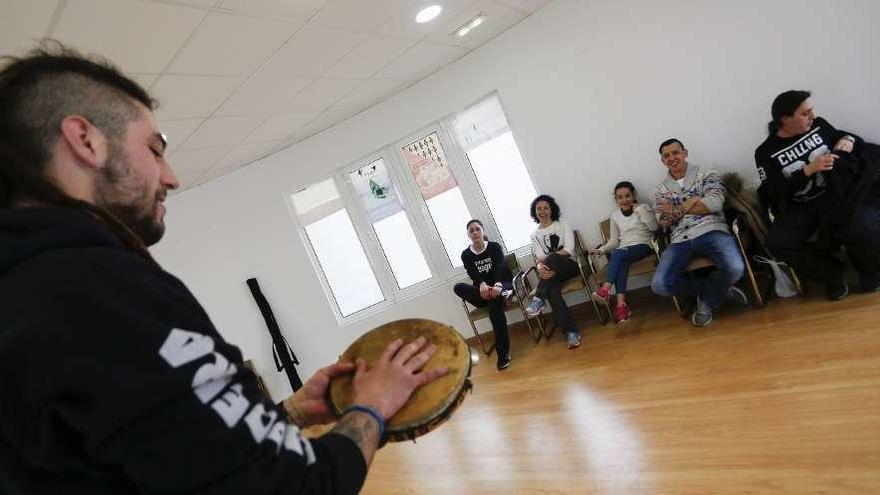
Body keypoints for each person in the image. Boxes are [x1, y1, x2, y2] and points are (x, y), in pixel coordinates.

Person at [0, 43, 449, 493]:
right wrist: (372, 406)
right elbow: (297, 487)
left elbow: (161, 460)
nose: (171, 176)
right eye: (155, 150)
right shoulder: (100, 289)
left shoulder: (25, 287)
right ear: (86, 141)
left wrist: (287, 413)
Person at [755, 90, 880, 299]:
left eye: (811, 111)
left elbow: (847, 137)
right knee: (777, 242)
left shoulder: (819, 125)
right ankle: (832, 273)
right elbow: (774, 193)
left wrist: (848, 140)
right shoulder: (765, 152)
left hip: (838, 195)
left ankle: (869, 270)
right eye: (805, 113)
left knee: (859, 224)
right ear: (785, 120)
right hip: (802, 206)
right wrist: (808, 171)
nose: (812, 116)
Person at [650, 139, 747, 327]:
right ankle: (717, 289)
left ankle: (706, 303)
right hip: (680, 239)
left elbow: (715, 203)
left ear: (685, 153)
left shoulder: (707, 175)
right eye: (666, 156)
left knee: (735, 268)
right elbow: (663, 220)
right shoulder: (660, 190)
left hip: (711, 229)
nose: (672, 158)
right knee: (659, 285)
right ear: (662, 161)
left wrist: (677, 208)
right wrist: (694, 201)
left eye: (675, 152)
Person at [589, 181, 658, 323]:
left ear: (633, 195)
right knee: (621, 261)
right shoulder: (615, 216)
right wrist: (601, 250)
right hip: (625, 251)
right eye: (620, 197)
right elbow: (614, 241)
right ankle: (621, 306)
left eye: (627, 196)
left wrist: (640, 211)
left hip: (643, 246)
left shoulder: (643, 208)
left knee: (618, 254)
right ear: (616, 200)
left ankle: (606, 289)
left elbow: (654, 227)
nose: (624, 200)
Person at [454, 219, 514, 370]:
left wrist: (498, 285)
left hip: (501, 285)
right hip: (483, 292)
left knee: (494, 304)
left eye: (477, 229)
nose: (474, 232)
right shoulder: (466, 254)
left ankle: (503, 354)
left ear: (482, 231)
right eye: (471, 230)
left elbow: (500, 266)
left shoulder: (494, 247)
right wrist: (481, 285)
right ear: (468, 234)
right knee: (458, 287)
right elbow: (473, 272)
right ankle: (500, 298)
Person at [525, 194, 583, 349]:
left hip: (569, 266)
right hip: (550, 274)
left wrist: (548, 260)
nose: (542, 211)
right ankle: (571, 333)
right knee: (552, 291)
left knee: (552, 257)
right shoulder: (535, 235)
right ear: (534, 212)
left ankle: (538, 298)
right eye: (539, 209)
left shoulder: (562, 223)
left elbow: (569, 250)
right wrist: (539, 268)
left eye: (546, 208)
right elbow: (539, 259)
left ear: (552, 209)